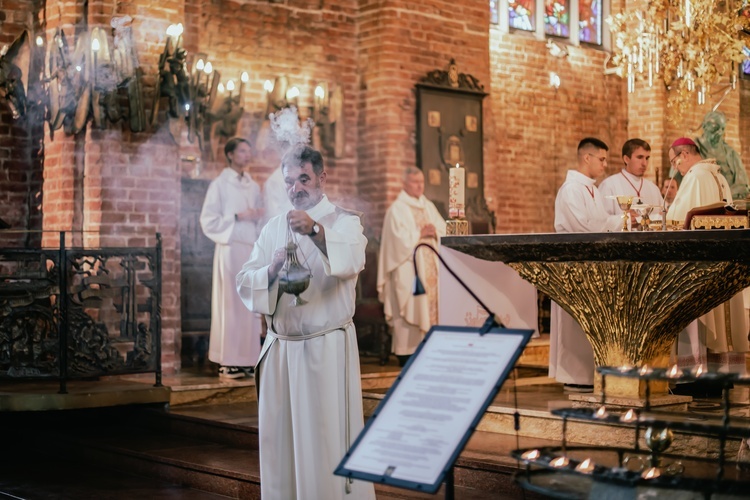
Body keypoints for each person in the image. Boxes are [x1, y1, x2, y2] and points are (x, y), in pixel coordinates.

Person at [236, 144, 375, 500]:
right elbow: (245, 279)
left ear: (321, 178)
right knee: (281, 443)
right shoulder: (273, 228)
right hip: (282, 352)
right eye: (289, 181)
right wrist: (270, 269)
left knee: (325, 439)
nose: (296, 188)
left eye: (303, 179)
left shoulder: (345, 220)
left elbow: (352, 260)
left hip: (324, 352)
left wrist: (316, 232)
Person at [666, 137, 748, 385]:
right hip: (721, 259)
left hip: (699, 262)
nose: (675, 168)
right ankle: (720, 373)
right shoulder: (718, 175)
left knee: (697, 312)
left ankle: (697, 373)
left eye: (674, 161)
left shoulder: (695, 176)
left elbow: (679, 217)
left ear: (684, 155)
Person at [550, 138, 622, 391]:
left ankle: (589, 374)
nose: (604, 164)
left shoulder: (592, 189)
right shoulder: (571, 189)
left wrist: (623, 219)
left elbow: (601, 221)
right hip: (574, 261)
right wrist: (617, 223)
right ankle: (574, 375)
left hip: (593, 261)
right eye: (601, 159)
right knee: (574, 323)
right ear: (587, 158)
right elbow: (583, 228)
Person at [200, 137, 265, 379]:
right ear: (230, 154)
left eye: (249, 151)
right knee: (231, 303)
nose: (247, 155)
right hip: (230, 246)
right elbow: (208, 220)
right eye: (242, 151)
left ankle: (248, 359)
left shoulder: (253, 185)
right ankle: (228, 360)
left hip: (250, 247)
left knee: (249, 303)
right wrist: (238, 216)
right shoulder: (220, 184)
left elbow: (259, 216)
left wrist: (258, 215)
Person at [377, 167, 447, 367]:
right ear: (404, 184)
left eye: (421, 182)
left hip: (431, 266)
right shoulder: (396, 210)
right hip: (408, 267)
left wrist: (434, 232)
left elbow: (442, 229)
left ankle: (433, 347)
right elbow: (396, 243)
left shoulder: (428, 206)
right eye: (415, 182)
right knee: (408, 307)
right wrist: (420, 233)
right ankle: (407, 353)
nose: (419, 186)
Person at [599, 138, 664, 225]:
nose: (644, 163)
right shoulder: (609, 185)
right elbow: (600, 221)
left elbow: (663, 215)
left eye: (647, 158)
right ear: (626, 159)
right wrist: (624, 218)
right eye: (640, 157)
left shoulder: (653, 188)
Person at [695, 111, 750, 201]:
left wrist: (724, 195)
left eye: (722, 128)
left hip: (731, 205)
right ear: (704, 126)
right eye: (715, 128)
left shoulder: (731, 153)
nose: (720, 133)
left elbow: (743, 186)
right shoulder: (691, 151)